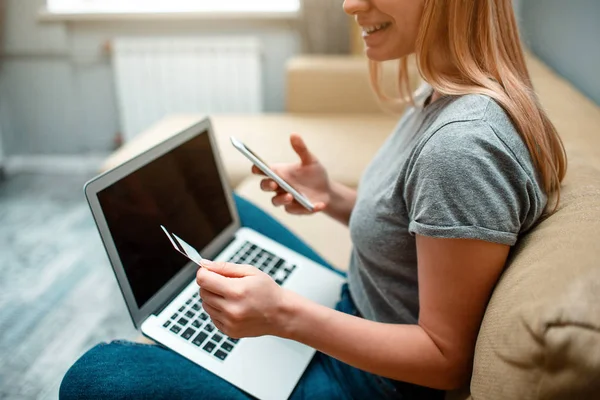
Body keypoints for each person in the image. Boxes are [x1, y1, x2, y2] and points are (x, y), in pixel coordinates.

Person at [59, 0, 567, 399]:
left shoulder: (462, 147)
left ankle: (201, 328)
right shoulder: (442, 92)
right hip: (359, 305)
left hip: (367, 382)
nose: (349, 4)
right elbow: (420, 233)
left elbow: (444, 358)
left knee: (96, 376)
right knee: (225, 218)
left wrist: (283, 314)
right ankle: (193, 322)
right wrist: (334, 198)